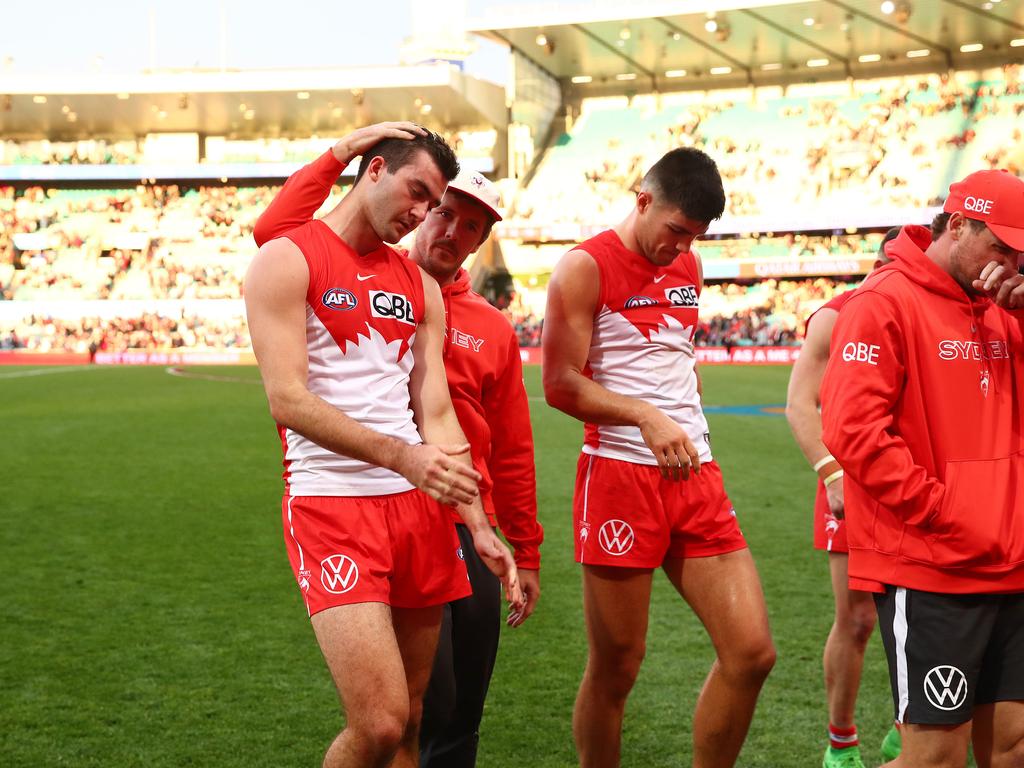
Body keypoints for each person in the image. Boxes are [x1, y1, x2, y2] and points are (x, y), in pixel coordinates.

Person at [252, 122, 543, 768]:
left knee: (414, 719)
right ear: (374, 171)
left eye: (429, 201)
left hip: (417, 515)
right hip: (333, 505)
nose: (418, 215)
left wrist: (482, 526)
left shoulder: (422, 290)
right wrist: (403, 456)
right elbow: (288, 400)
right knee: (379, 723)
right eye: (419, 195)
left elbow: (435, 411)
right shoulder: (288, 257)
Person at [542, 147, 776, 768]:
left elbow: (674, 354)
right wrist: (646, 416)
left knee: (752, 652)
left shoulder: (689, 264)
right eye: (675, 231)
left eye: (694, 238)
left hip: (695, 471)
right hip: (619, 474)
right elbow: (560, 384)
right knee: (617, 667)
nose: (681, 248)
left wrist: (681, 403)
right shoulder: (583, 267)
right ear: (642, 199)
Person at [821, 169, 1024, 768]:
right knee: (933, 757)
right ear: (957, 224)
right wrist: (943, 510)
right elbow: (853, 432)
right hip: (934, 567)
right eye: (1000, 248)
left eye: (1020, 254)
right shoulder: (882, 302)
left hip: (1011, 563)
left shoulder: (1005, 308)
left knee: (1012, 748)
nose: (1010, 264)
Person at [785, 228, 900, 768]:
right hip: (850, 482)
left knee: (927, 613)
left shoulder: (937, 310)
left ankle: (909, 728)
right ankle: (841, 742)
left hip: (919, 483)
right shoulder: (836, 315)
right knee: (857, 620)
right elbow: (800, 405)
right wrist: (832, 475)